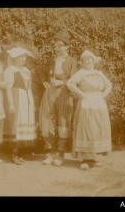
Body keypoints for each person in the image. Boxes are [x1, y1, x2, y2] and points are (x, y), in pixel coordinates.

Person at [67, 50, 112, 170]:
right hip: (86, 103)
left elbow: (109, 85)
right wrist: (81, 94)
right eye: (85, 60)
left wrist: (102, 95)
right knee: (86, 128)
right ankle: (85, 159)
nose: (88, 61)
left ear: (93, 61)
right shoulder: (80, 73)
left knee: (97, 128)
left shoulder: (99, 73)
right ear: (82, 62)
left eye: (90, 59)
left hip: (99, 103)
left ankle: (95, 157)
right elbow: (70, 83)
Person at [39, 31, 78, 166]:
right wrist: (46, 81)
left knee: (63, 122)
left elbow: (74, 79)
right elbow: (42, 73)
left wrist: (62, 83)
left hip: (64, 93)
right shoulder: (51, 60)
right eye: (56, 46)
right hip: (50, 93)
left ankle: (60, 155)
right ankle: (51, 153)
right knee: (47, 120)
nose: (58, 48)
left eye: (61, 45)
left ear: (67, 47)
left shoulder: (72, 61)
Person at [3, 47, 37, 165]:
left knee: (23, 124)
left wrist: (31, 102)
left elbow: (29, 87)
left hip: (26, 98)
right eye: (20, 57)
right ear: (15, 58)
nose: (23, 59)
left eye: (24, 57)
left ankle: (20, 152)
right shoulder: (10, 70)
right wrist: (11, 103)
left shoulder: (26, 70)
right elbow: (8, 88)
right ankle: (14, 153)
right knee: (15, 125)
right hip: (16, 97)